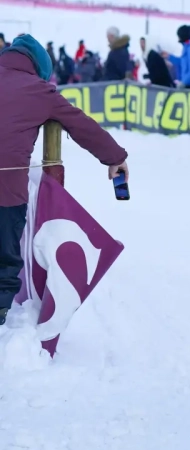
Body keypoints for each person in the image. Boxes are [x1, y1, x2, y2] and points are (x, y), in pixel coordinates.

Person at [0, 34, 129, 326]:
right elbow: (82, 125)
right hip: (5, 192)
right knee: (4, 261)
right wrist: (115, 158)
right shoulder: (39, 90)